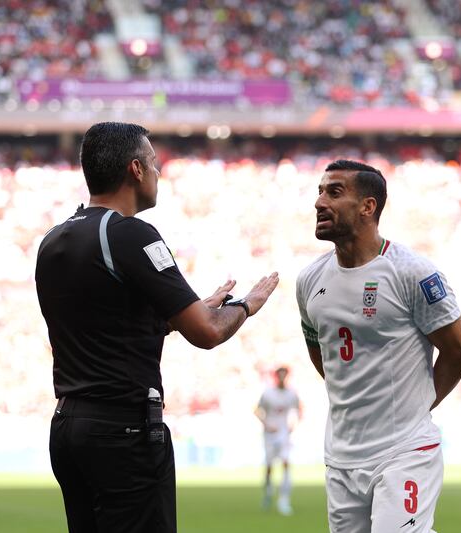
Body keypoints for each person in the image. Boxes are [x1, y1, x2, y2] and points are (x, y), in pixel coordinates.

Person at [35, 121, 279, 533]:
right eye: (154, 163)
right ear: (135, 169)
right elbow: (208, 333)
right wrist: (247, 305)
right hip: (124, 430)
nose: (158, 173)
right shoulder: (131, 234)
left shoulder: (53, 240)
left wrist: (180, 314)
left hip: (68, 427)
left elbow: (106, 324)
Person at [296, 159, 461, 533]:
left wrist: (418, 404)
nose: (319, 202)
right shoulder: (310, 280)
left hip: (404, 451)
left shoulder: (411, 272)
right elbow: (321, 352)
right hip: (342, 458)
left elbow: (459, 351)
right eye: (320, 191)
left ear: (368, 206)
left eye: (334, 192)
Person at [255, 366, 302, 515]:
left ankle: (284, 500)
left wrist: (293, 424)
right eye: (280, 375)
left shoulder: (291, 393)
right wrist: (266, 424)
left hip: (283, 433)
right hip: (269, 434)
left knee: (286, 464)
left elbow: (299, 410)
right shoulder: (268, 393)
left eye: (285, 375)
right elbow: (257, 410)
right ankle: (268, 493)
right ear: (276, 376)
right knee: (269, 467)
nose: (282, 377)